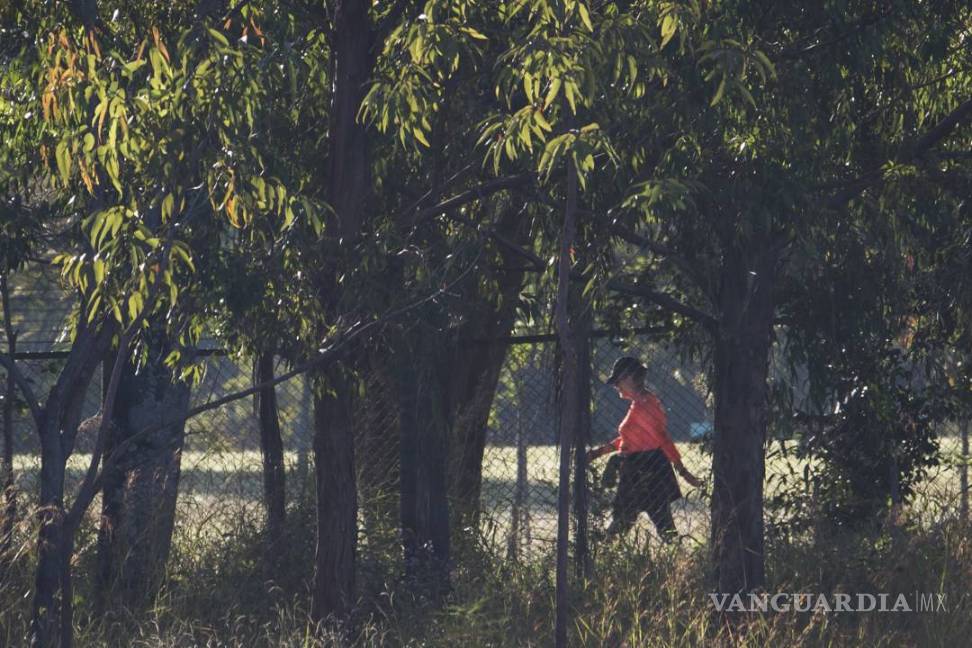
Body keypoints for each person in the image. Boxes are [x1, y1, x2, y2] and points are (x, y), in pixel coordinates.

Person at [587, 356, 703, 544]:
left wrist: (683, 471)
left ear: (630, 378)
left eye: (618, 380)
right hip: (637, 468)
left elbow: (662, 438)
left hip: (648, 470)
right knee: (627, 521)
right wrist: (598, 453)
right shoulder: (638, 404)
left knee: (648, 523)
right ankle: (605, 554)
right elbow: (629, 439)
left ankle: (604, 554)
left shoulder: (646, 405)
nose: (616, 385)